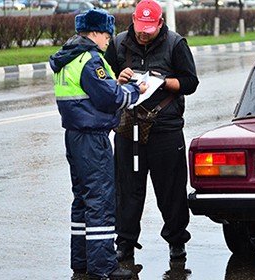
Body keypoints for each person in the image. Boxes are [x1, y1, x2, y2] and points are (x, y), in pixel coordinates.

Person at [49, 8, 148, 280]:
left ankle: (80, 262)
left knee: (81, 200)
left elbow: (88, 95)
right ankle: (103, 267)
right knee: (101, 201)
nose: (108, 40)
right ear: (94, 32)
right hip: (93, 139)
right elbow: (110, 98)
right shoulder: (90, 60)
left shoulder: (66, 57)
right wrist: (133, 90)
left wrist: (116, 86)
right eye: (106, 34)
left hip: (74, 136)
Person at [104, 0, 199, 262]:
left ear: (160, 23)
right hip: (128, 128)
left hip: (165, 129)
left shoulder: (175, 44)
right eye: (140, 26)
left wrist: (163, 82)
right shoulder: (119, 43)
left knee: (170, 190)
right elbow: (105, 79)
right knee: (127, 189)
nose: (143, 32)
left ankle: (176, 241)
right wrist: (119, 79)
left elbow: (191, 82)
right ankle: (125, 241)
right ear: (133, 19)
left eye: (149, 27)